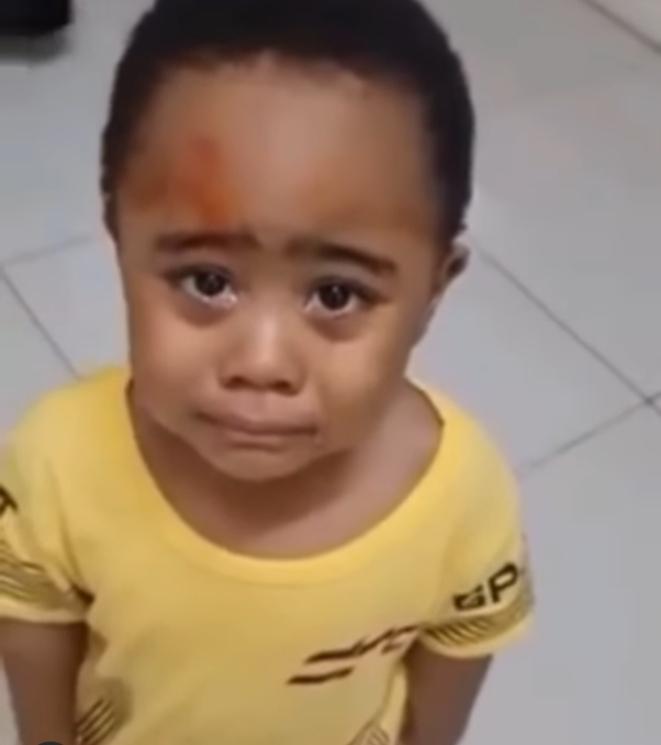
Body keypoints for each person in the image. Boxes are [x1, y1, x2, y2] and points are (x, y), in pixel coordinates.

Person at [0, 1, 534, 744]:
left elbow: (456, 658)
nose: (261, 364)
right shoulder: (56, 461)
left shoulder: (463, 493)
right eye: (208, 281)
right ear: (120, 237)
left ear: (433, 290)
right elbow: (32, 630)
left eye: (336, 294)